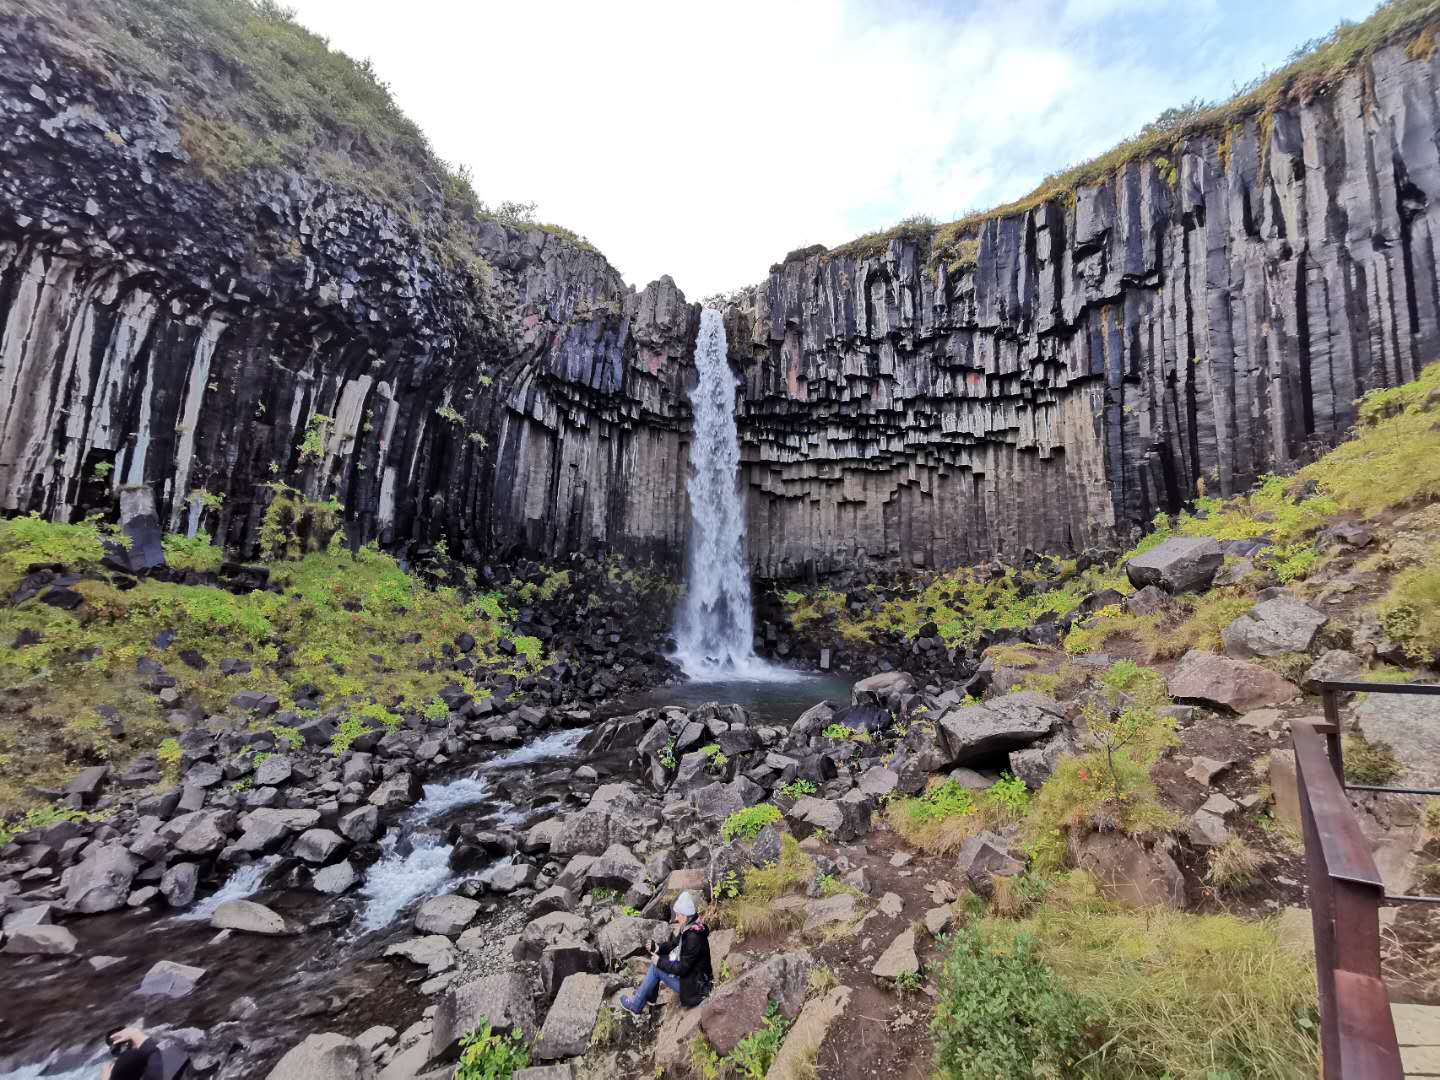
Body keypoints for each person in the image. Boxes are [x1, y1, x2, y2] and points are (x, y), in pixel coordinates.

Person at [619, 891, 712, 1013]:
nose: (676, 918)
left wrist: (659, 962)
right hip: (693, 978)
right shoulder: (691, 926)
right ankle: (649, 997)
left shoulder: (693, 938)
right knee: (659, 958)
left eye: (678, 915)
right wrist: (658, 948)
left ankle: (636, 1005)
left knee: (656, 967)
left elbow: (682, 969)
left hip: (695, 989)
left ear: (685, 915)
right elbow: (674, 944)